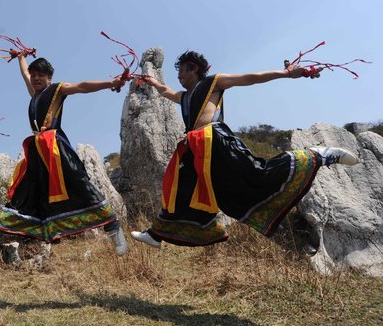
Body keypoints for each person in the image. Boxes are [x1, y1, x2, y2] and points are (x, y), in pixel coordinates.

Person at [131, 50, 358, 248]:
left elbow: (251, 78)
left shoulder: (213, 82)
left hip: (215, 141)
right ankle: (157, 233)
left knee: (256, 174)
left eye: (182, 70)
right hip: (194, 149)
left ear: (194, 69)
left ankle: (317, 156)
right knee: (181, 190)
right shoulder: (184, 97)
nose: (179, 76)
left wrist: (287, 73)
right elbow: (164, 90)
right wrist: (151, 80)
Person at [0, 54, 128, 262]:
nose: (35, 78)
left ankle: (113, 228)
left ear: (49, 77)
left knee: (80, 185)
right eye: (33, 75)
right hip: (36, 151)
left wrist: (111, 83)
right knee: (25, 191)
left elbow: (82, 86)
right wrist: (20, 58)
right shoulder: (34, 94)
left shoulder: (56, 90)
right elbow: (24, 74)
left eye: (40, 75)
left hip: (56, 147)